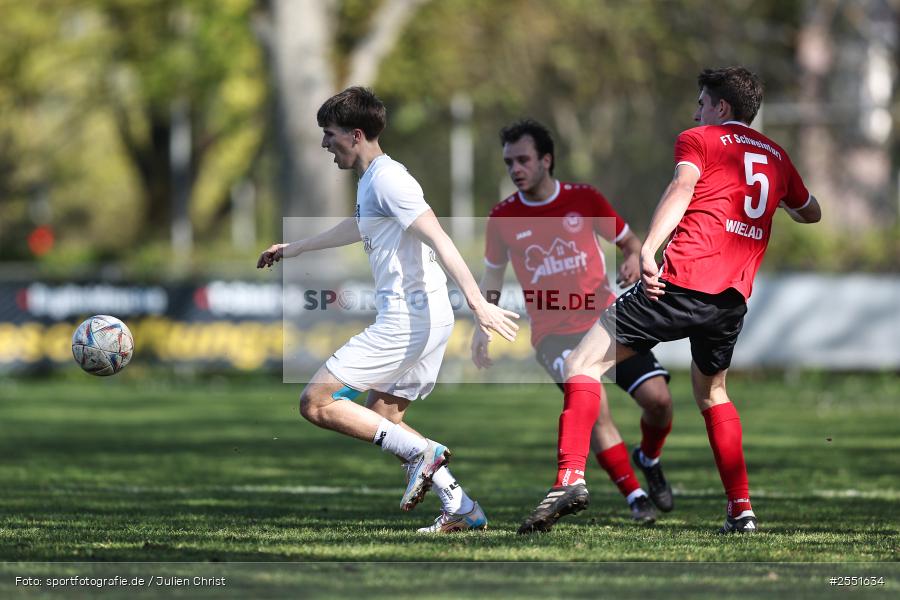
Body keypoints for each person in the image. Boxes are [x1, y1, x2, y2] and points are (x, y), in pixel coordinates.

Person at [518, 67, 821, 534]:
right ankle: (742, 511)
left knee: (581, 364)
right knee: (713, 393)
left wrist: (648, 251)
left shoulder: (700, 139)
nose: (696, 110)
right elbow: (811, 212)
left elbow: (681, 188)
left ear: (721, 108)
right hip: (730, 300)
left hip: (679, 282)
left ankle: (570, 477)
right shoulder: (776, 156)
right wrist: (775, 198)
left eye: (702, 102)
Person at [258, 87, 519, 534]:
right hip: (427, 319)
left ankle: (425, 454)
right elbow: (357, 225)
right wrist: (293, 248)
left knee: (316, 402)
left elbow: (440, 237)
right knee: (385, 416)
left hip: (408, 320)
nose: (325, 144)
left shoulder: (389, 180)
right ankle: (462, 507)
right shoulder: (373, 181)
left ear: (355, 135)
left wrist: (479, 305)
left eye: (329, 134)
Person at [471, 119, 676, 525]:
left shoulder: (585, 199)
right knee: (593, 405)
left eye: (524, 159)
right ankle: (635, 496)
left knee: (659, 401)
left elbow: (629, 242)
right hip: (552, 335)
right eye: (509, 162)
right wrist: (482, 324)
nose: (515, 169)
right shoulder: (502, 217)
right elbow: (491, 278)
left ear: (546, 160)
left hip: (606, 319)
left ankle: (648, 458)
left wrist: (634, 258)